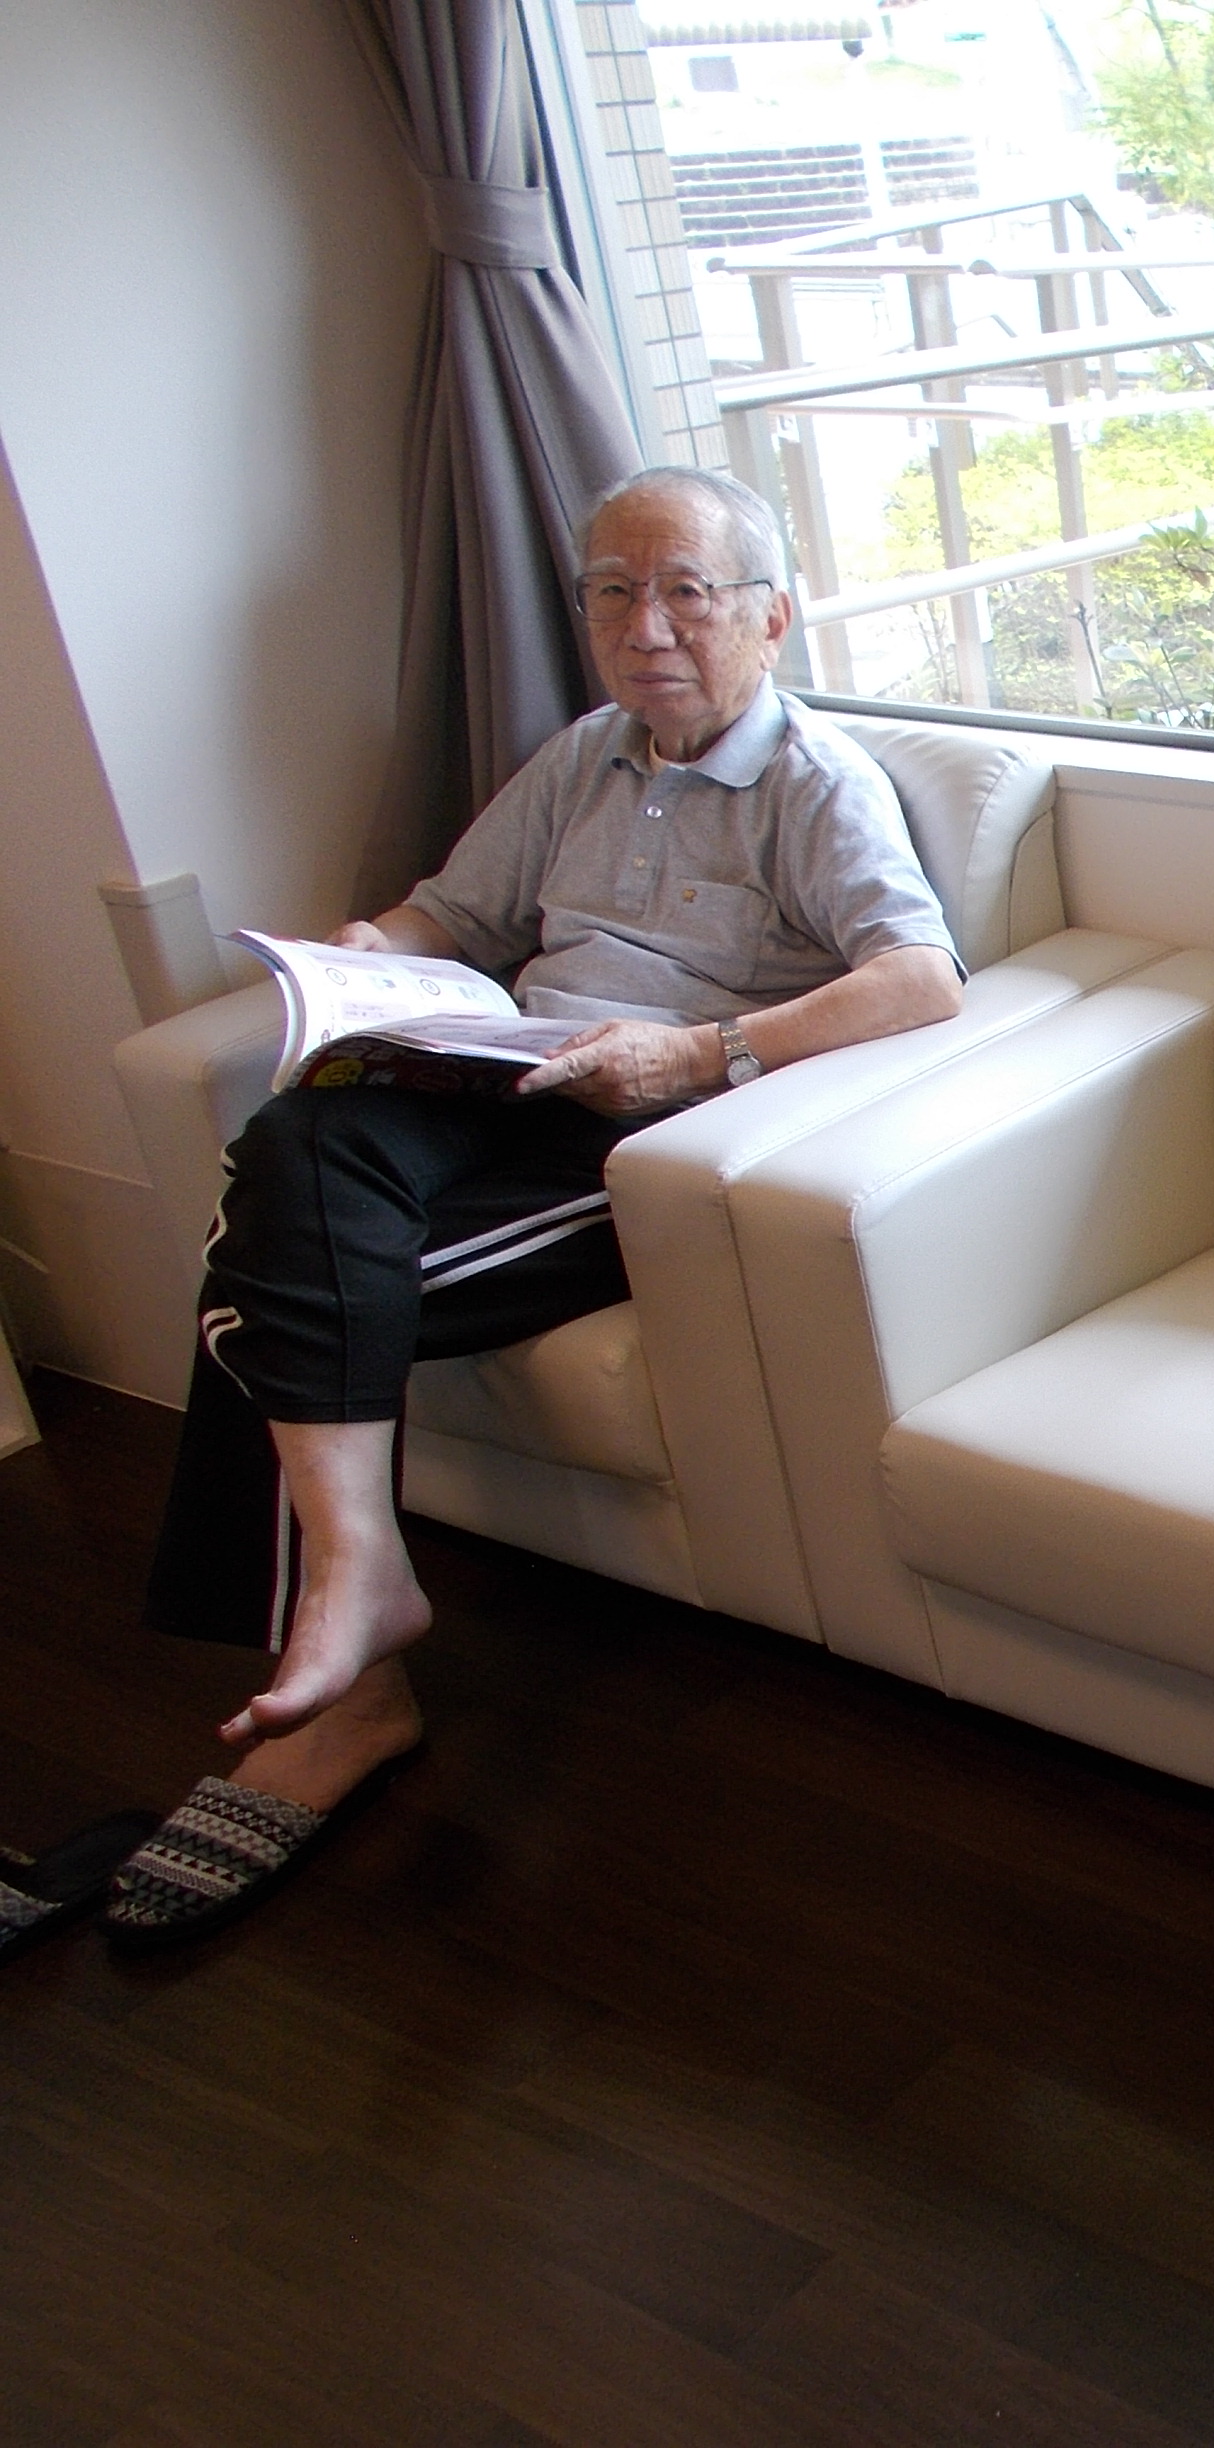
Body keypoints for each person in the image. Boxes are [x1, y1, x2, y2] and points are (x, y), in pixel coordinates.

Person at [104, 467, 964, 1947]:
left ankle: (353, 1686)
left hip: (633, 1135)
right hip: (501, 1076)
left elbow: (920, 976)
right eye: (613, 593)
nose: (648, 628)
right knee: (298, 1137)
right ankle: (361, 1588)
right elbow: (461, 913)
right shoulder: (583, 757)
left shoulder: (814, 784)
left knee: (253, 1294)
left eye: (687, 591)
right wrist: (378, 952)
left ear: (771, 615)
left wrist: (695, 1054)